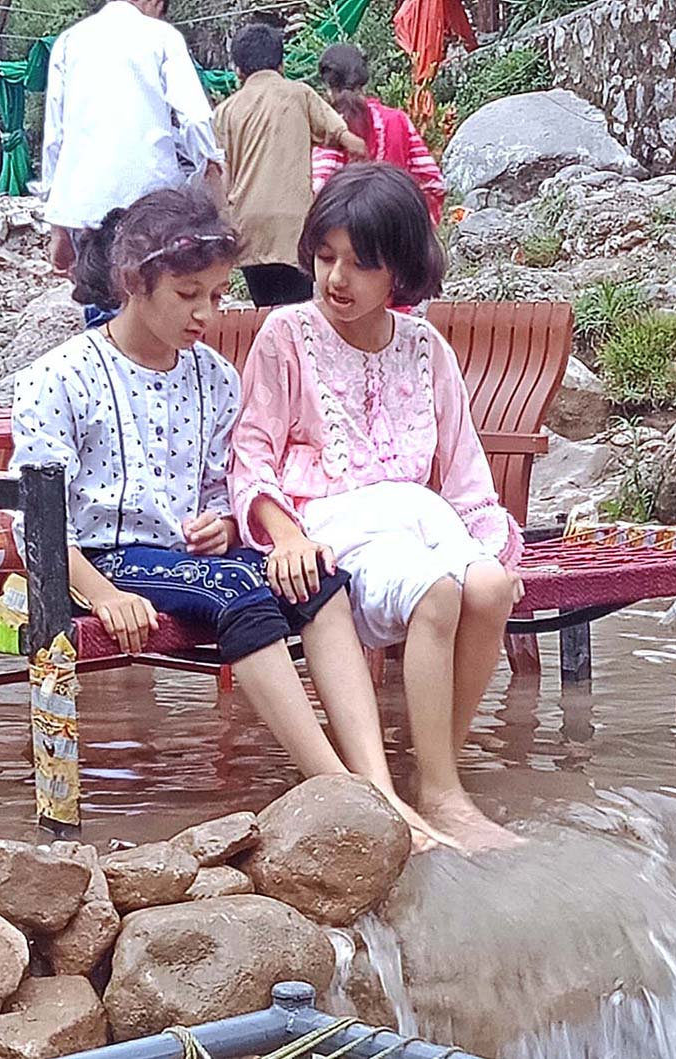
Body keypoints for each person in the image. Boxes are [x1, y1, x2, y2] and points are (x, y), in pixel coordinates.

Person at [9, 185, 441, 854]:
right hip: (104, 559)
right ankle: (342, 792)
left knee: (321, 580)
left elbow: (224, 489)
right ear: (133, 281)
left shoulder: (214, 378)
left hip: (191, 562)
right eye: (189, 295)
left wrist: (225, 525)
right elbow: (35, 528)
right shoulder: (58, 378)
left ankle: (378, 782)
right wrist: (103, 594)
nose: (208, 313)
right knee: (237, 591)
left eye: (217, 294)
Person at [230, 164, 525, 852]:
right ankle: (444, 794)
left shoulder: (427, 349)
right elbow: (251, 455)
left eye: (361, 264)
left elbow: (464, 471)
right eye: (327, 256)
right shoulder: (287, 335)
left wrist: (487, 546)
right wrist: (285, 538)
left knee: (487, 587)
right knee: (437, 591)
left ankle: (435, 780)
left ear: (401, 271)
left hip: (417, 520)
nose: (337, 277)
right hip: (332, 524)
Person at [42, 0, 224, 282]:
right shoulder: (162, 37)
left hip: (88, 207)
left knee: (101, 298)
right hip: (151, 202)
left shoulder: (68, 43)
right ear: (155, 2)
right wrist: (209, 166)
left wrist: (58, 224)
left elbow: (55, 137)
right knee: (152, 293)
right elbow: (196, 118)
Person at [213, 23, 366, 309]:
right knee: (298, 313)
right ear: (281, 63)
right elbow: (341, 135)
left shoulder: (225, 112)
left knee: (267, 311)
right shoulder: (298, 94)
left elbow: (221, 174)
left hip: (249, 227)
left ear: (238, 71)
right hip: (293, 226)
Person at [312, 44, 445, 226]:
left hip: (350, 242)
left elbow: (319, 189)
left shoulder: (330, 128)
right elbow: (433, 183)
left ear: (328, 88)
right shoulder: (398, 120)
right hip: (397, 236)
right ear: (364, 82)